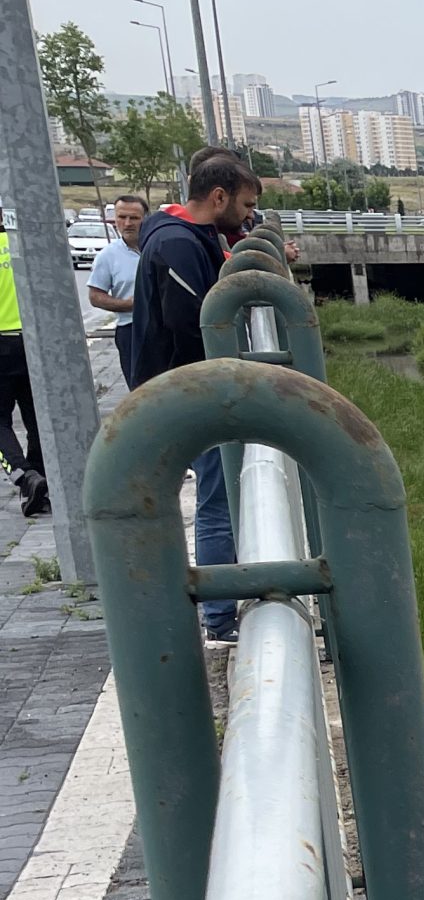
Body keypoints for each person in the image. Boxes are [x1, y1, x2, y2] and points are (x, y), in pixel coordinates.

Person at [132, 149, 262, 642]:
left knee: (221, 495)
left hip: (191, 386)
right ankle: (220, 617)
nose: (249, 216)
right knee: (218, 501)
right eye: (245, 204)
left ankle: (220, 605)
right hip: (191, 391)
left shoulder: (189, 236)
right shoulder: (178, 246)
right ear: (219, 195)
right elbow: (195, 326)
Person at [0, 222, 41, 515]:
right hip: (33, 341)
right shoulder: (25, 243)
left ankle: (24, 475)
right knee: (37, 419)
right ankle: (42, 482)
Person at [87, 194, 147, 387]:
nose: (127, 223)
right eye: (122, 217)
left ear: (145, 218)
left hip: (164, 327)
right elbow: (95, 296)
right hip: (130, 331)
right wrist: (127, 305)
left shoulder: (159, 245)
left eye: (134, 218)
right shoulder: (108, 256)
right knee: (140, 391)